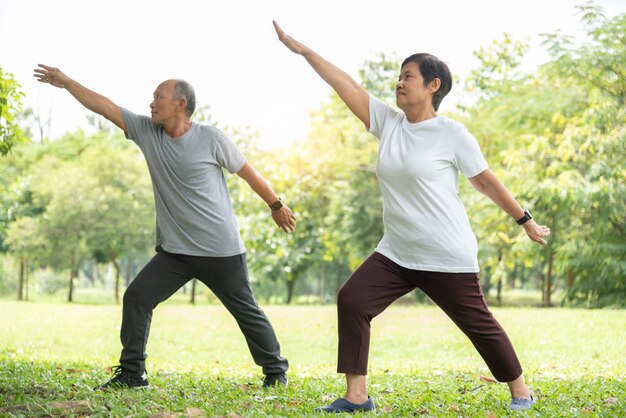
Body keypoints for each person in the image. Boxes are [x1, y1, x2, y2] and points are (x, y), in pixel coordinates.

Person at [273, 21, 550, 413]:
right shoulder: (389, 123)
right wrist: (305, 52)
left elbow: (486, 183)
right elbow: (345, 85)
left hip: (446, 254)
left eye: (408, 77)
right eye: (399, 77)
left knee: (479, 326)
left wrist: (526, 220)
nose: (399, 83)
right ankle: (356, 396)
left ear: (433, 86)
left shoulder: (452, 134)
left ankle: (520, 390)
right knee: (353, 300)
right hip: (397, 253)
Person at [34, 64, 296, 390]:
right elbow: (106, 107)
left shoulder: (211, 139)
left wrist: (276, 205)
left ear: (180, 104)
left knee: (246, 311)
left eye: (159, 96)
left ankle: (275, 372)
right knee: (136, 298)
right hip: (176, 252)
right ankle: (132, 373)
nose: (152, 103)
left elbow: (249, 172)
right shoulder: (147, 132)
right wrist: (67, 82)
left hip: (220, 249)